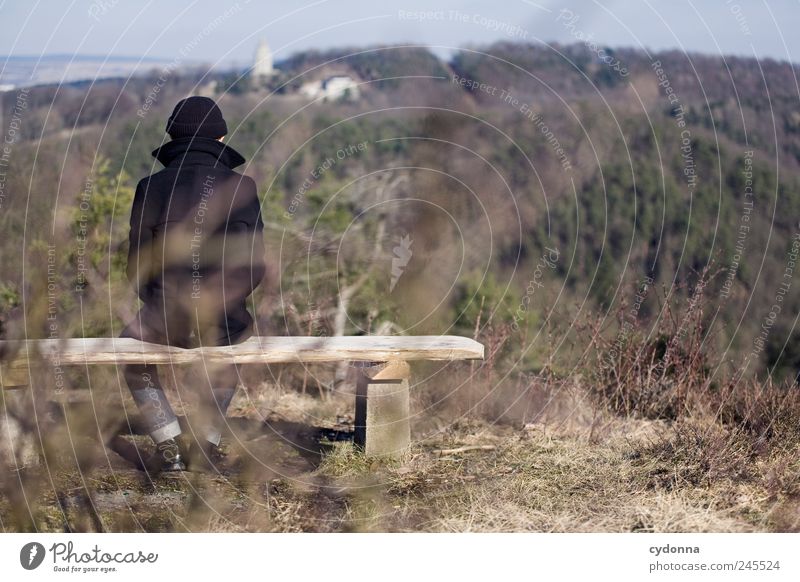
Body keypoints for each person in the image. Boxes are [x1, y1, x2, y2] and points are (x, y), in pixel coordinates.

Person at [119, 96, 266, 475]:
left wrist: (159, 303)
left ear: (172, 137)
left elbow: (136, 264)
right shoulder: (242, 186)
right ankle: (205, 442)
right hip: (224, 317)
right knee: (233, 350)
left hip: (163, 317)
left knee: (131, 358)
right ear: (220, 138)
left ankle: (167, 442)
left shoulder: (150, 186)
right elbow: (254, 265)